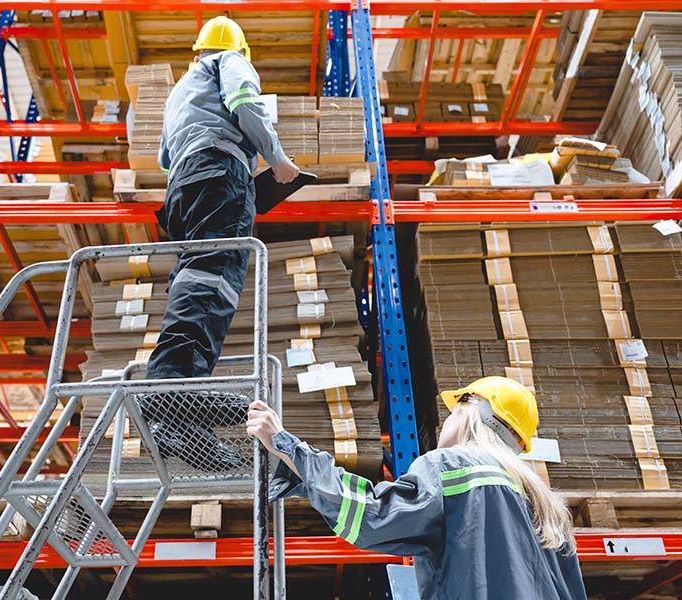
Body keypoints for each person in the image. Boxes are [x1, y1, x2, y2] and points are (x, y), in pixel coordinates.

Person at [247, 376, 587, 599]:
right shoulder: (547, 506)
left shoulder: (453, 468)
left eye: (453, 411)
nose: (446, 421)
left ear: (472, 415)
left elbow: (369, 515)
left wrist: (286, 444)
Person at [136, 16, 299, 471]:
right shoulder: (230, 61)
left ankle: (176, 407)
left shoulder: (179, 91)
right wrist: (278, 159)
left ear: (196, 50)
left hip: (182, 188)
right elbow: (246, 101)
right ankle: (170, 402)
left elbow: (165, 157)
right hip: (220, 172)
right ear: (239, 51)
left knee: (193, 279)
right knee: (216, 281)